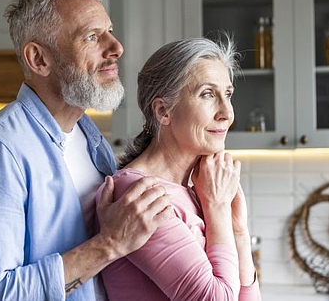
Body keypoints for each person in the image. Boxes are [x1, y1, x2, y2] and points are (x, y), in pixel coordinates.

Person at [0, 0, 173, 301]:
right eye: (92, 37)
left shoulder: (94, 144)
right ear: (39, 59)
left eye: (110, 31)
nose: (116, 48)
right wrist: (109, 244)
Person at [96, 36, 262, 300]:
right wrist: (218, 208)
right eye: (208, 94)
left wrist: (239, 232)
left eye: (228, 94)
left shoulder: (198, 192)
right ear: (163, 111)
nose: (227, 113)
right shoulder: (140, 196)